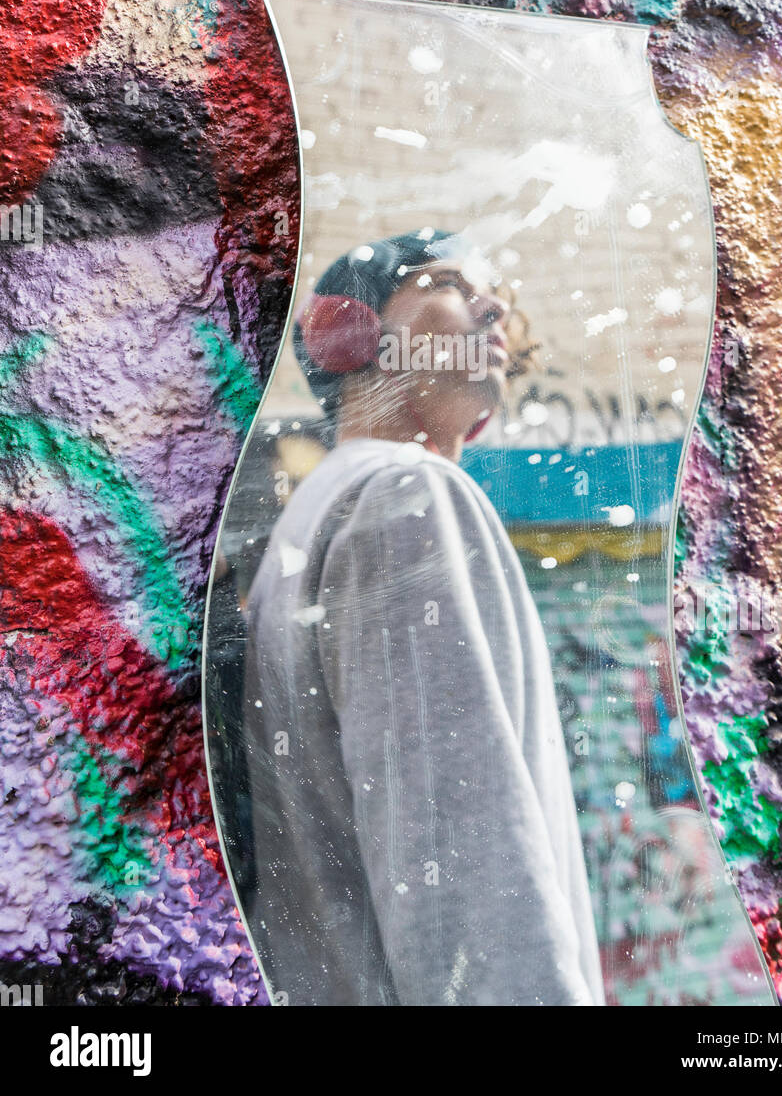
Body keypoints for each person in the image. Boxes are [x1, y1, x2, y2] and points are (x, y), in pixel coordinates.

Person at [240, 228, 605, 1006]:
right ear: (353, 332)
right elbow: (469, 891)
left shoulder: (319, 514)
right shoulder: (403, 496)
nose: (495, 305)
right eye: (449, 283)